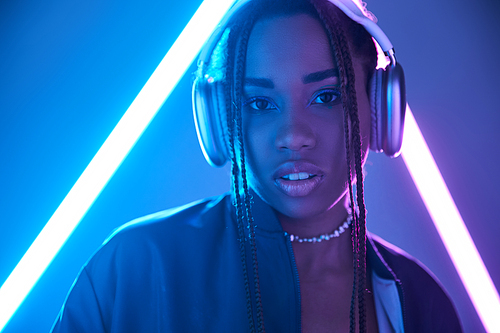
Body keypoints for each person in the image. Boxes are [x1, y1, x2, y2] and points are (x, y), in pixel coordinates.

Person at [51, 0, 463, 332]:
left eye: (326, 97)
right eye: (260, 104)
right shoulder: (134, 269)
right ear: (221, 121)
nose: (293, 134)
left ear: (380, 108)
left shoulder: (422, 302)